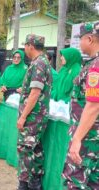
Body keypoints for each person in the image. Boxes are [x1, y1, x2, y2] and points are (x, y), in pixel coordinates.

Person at [62, 22, 99, 189]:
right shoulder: (91, 63)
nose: (79, 43)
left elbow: (93, 106)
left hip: (87, 137)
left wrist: (77, 139)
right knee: (92, 183)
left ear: (90, 39)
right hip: (92, 136)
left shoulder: (95, 67)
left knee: (75, 181)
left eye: (81, 39)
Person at [42, 47, 82, 189]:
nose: (61, 59)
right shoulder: (63, 70)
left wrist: (65, 101)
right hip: (56, 109)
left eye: (63, 56)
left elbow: (74, 91)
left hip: (67, 111)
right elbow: (56, 87)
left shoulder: (77, 70)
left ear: (71, 57)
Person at [17, 34, 52, 190]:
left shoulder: (39, 64)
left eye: (25, 45)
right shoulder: (42, 62)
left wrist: (23, 116)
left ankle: (25, 185)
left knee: (26, 150)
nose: (24, 48)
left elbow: (35, 93)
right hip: (37, 115)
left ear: (30, 46)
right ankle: (34, 184)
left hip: (33, 117)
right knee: (35, 149)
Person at [0, 49, 27, 166]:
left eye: (19, 57)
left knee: (13, 126)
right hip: (7, 98)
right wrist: (2, 86)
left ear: (22, 58)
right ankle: (1, 150)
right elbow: (1, 81)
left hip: (17, 100)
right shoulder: (8, 69)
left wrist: (22, 89)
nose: (16, 59)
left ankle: (11, 153)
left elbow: (28, 84)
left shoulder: (26, 69)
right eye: (14, 57)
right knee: (3, 124)